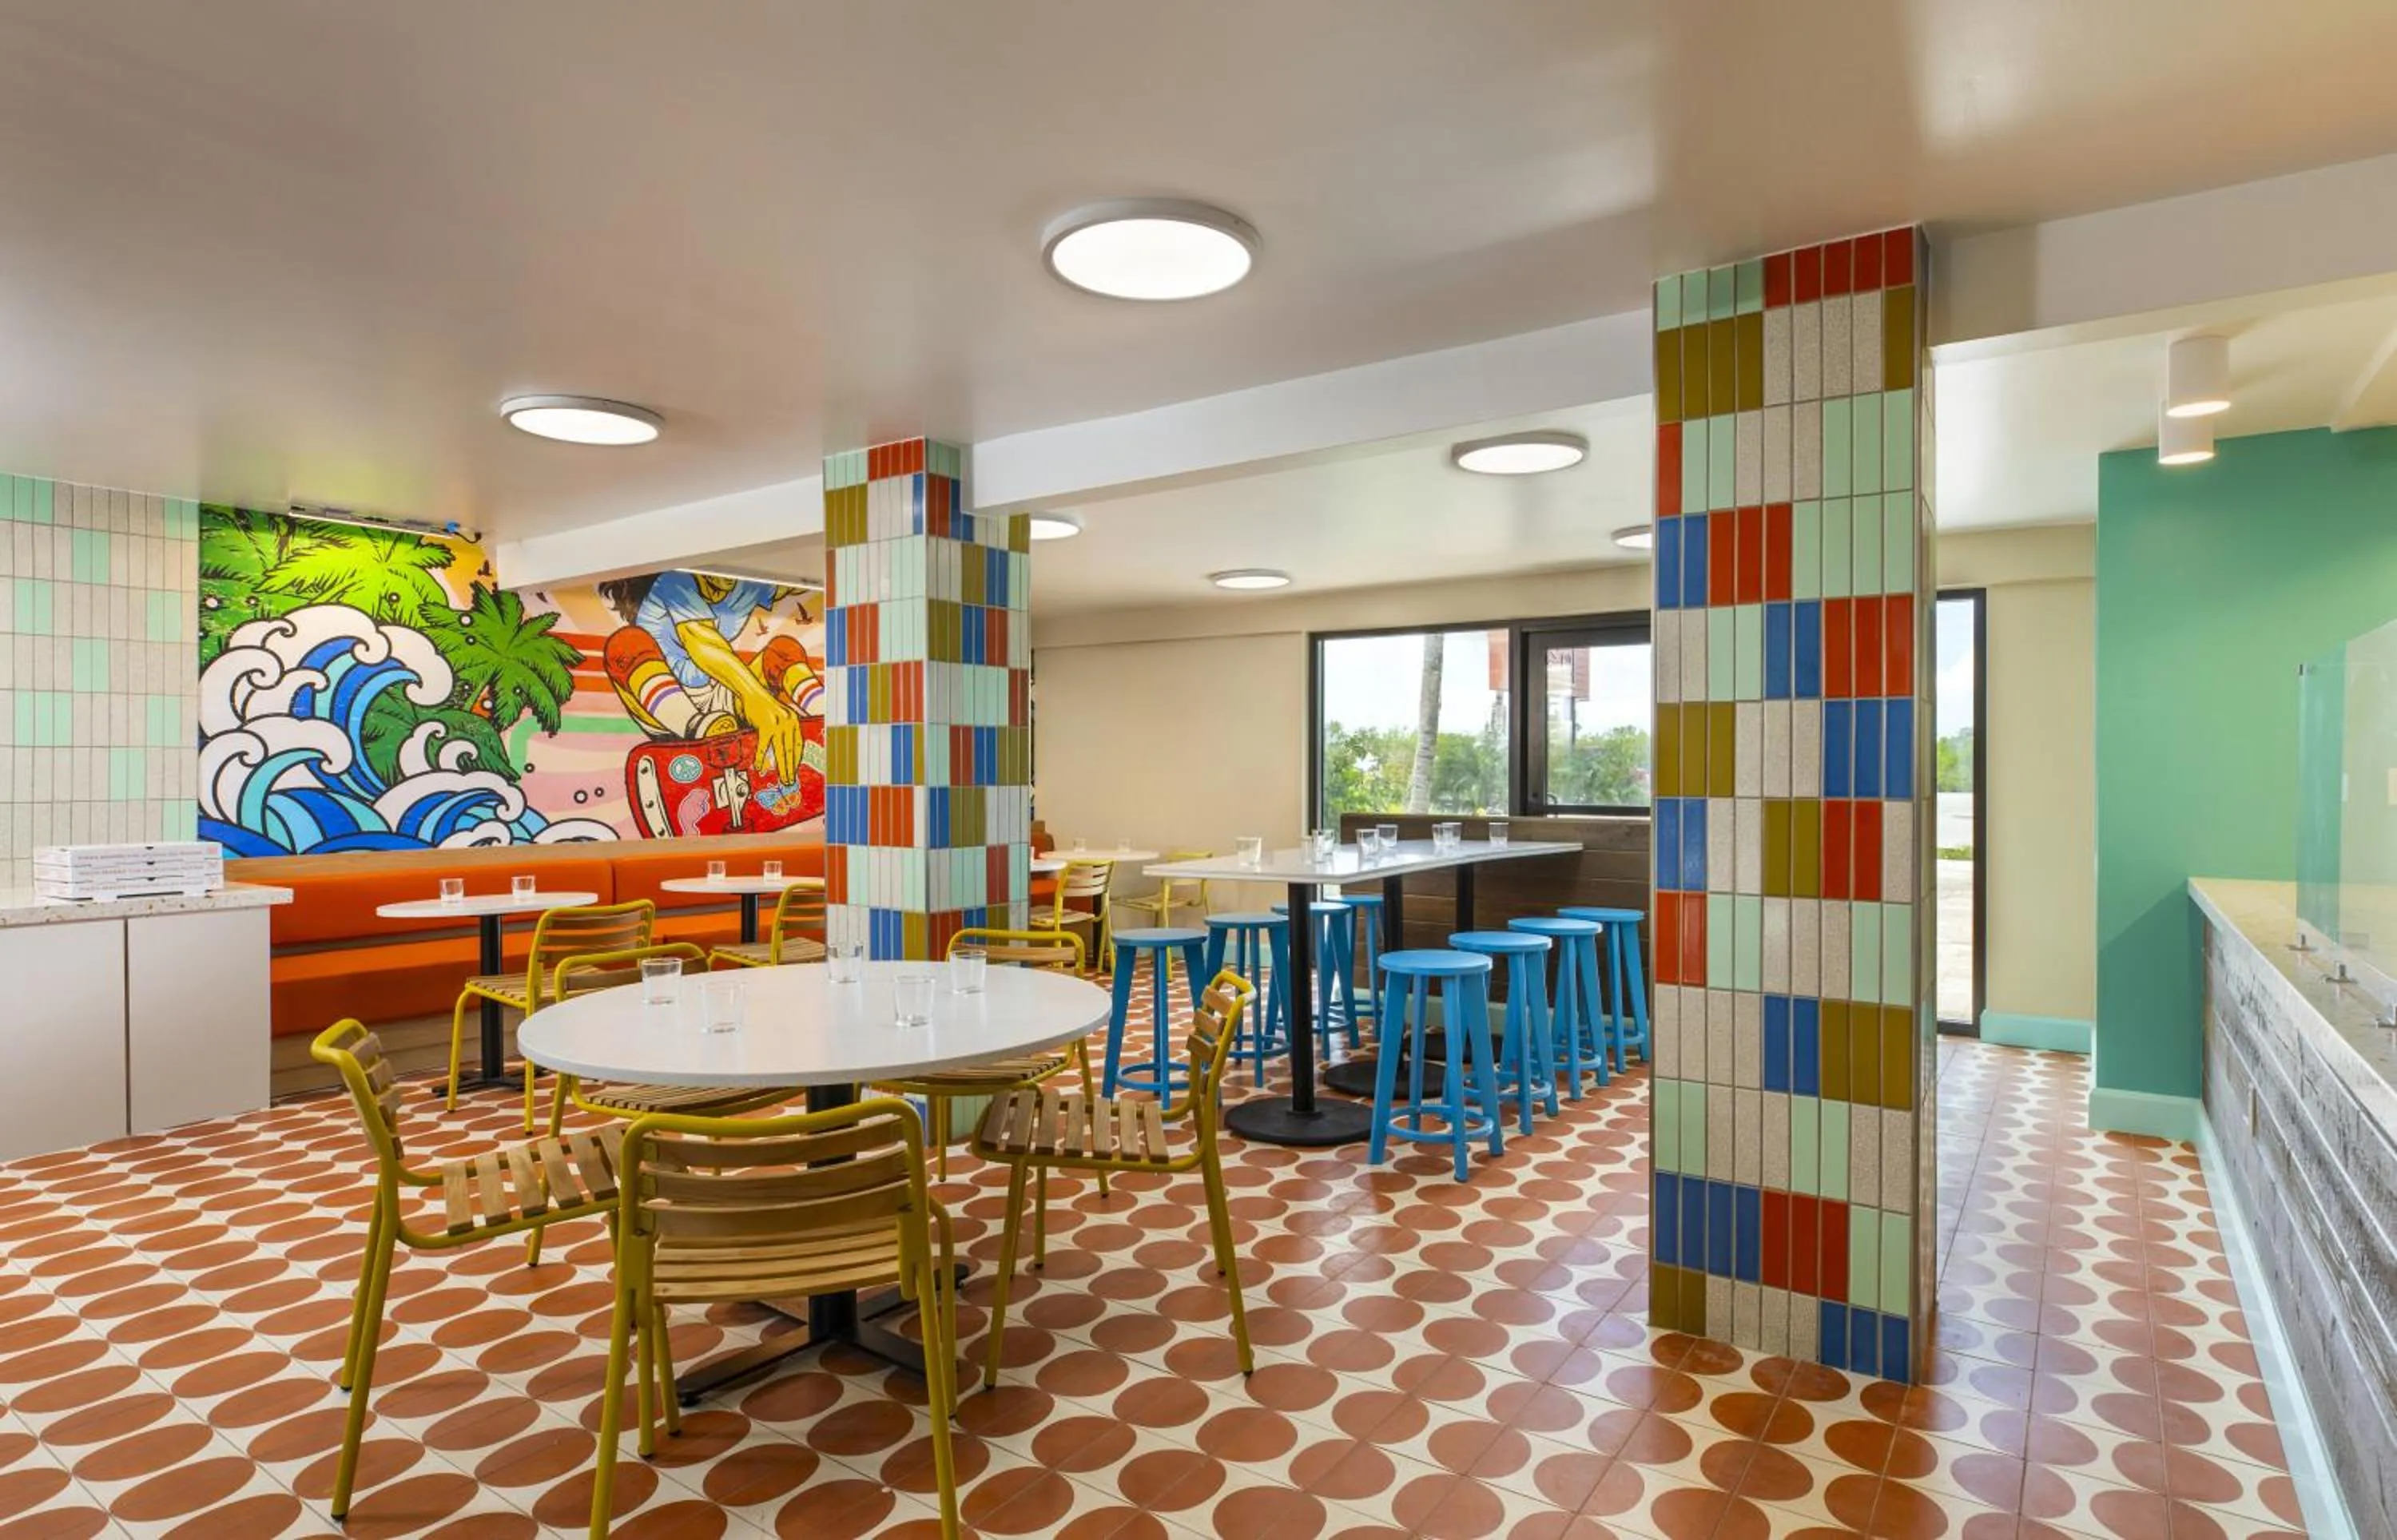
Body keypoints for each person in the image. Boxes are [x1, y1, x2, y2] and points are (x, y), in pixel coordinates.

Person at [598, 572, 822, 780]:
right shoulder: (675, 582)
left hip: (720, 698)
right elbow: (701, 641)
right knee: (627, 644)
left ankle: (825, 717)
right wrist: (757, 698)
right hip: (667, 705)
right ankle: (700, 728)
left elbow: (799, 586)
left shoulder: (749, 587)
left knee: (782, 651)